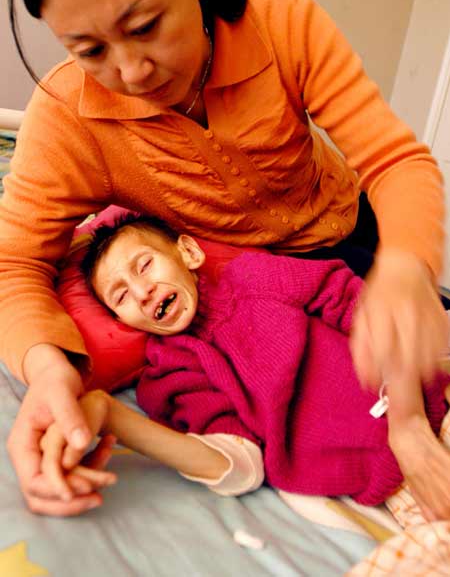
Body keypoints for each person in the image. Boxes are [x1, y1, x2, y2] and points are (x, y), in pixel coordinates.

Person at [3, 0, 449, 517]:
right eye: (88, 50)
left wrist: (403, 268)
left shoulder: (285, 23)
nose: (131, 71)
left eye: (145, 25)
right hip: (247, 286)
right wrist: (50, 372)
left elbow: (395, 161)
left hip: (353, 240)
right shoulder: (66, 122)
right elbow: (14, 264)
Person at [39, 214, 450, 530]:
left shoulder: (255, 276)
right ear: (122, 321)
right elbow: (237, 463)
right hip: (393, 479)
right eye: (121, 296)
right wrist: (113, 416)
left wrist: (407, 409)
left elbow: (357, 305)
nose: (142, 292)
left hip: (428, 399)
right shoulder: (171, 375)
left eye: (145, 266)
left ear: (189, 253)